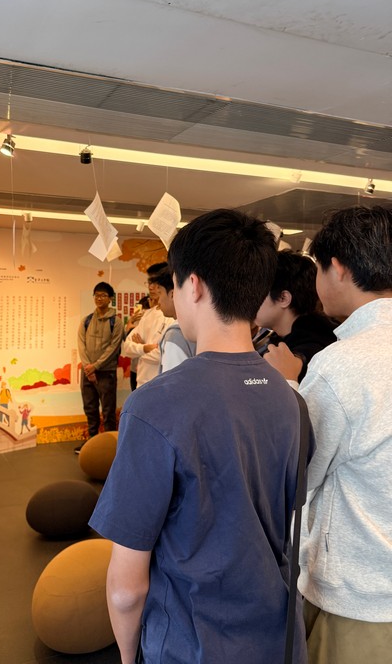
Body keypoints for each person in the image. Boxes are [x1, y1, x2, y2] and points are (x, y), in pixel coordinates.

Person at [90, 209, 310, 664]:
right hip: (277, 638)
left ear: (193, 285)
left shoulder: (154, 406)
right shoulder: (288, 396)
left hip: (190, 646)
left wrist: (129, 657)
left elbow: (126, 589)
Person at [265, 205, 392, 664]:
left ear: (337, 268)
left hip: (361, 596)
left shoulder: (342, 363)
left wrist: (288, 386)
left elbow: (301, 473)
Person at [254, 249, 337, 381]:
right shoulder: (287, 338)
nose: (251, 300)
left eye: (258, 293)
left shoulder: (305, 356)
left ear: (283, 298)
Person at [76, 281, 123, 452]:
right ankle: (91, 443)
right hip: (87, 372)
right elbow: (81, 344)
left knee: (108, 411)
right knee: (90, 408)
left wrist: (95, 366)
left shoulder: (116, 322)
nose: (99, 298)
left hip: (106, 372)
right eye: (97, 295)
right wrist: (88, 367)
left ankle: (110, 446)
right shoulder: (86, 320)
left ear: (110, 299)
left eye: (103, 295)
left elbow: (114, 347)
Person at [122, 263, 174, 387]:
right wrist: (145, 348)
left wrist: (139, 350)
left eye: (155, 283)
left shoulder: (172, 316)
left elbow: (162, 355)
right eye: (149, 283)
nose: (151, 287)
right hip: (141, 383)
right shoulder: (147, 314)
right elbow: (127, 347)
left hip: (160, 385)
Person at [149, 268, 195, 373]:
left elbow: (172, 381)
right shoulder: (197, 327)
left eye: (160, 293)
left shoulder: (176, 335)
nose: (159, 301)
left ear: (172, 294)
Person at [124, 294, 151, 391]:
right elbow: (127, 344)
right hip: (134, 368)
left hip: (148, 369)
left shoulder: (156, 324)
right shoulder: (136, 323)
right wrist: (130, 324)